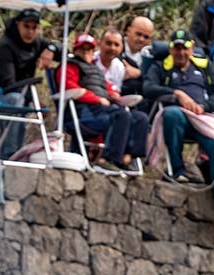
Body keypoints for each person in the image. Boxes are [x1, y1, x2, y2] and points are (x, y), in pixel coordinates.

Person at [144, 29, 214, 218]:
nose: (181, 53)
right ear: (171, 49)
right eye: (177, 48)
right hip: (178, 116)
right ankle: (178, 171)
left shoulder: (204, 66)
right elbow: (148, 87)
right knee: (172, 114)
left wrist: (205, 106)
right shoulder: (162, 66)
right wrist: (176, 94)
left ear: (192, 48)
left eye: (185, 48)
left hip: (202, 116)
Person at [59, 33, 148, 171]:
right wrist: (97, 99)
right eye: (82, 49)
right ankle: (106, 159)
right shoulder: (70, 66)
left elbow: (106, 86)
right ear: (75, 50)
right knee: (121, 115)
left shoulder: (94, 69)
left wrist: (113, 94)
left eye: (89, 49)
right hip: (83, 112)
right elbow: (70, 88)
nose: (86, 52)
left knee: (140, 118)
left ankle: (127, 158)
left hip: (102, 109)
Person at [0, 9, 57, 159]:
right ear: (18, 24)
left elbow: (65, 51)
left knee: (20, 100)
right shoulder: (4, 46)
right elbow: (9, 84)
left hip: (22, 96)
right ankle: (10, 153)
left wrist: (50, 49)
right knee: (16, 99)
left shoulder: (37, 42)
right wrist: (35, 101)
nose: (30, 32)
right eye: (26, 26)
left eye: (34, 28)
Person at [120, 15, 154, 99]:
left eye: (146, 37)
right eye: (138, 34)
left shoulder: (150, 55)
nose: (141, 39)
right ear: (128, 31)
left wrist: (140, 73)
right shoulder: (115, 46)